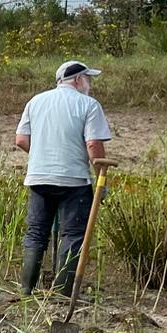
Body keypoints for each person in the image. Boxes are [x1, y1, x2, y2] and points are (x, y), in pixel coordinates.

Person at [14, 60, 112, 295]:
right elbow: (93, 144)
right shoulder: (88, 105)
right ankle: (62, 293)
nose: (89, 84)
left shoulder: (36, 101)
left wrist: (42, 156)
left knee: (37, 232)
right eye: (88, 79)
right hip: (74, 180)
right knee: (73, 234)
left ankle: (26, 290)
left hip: (39, 178)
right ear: (77, 79)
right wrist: (102, 180)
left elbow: (20, 139)